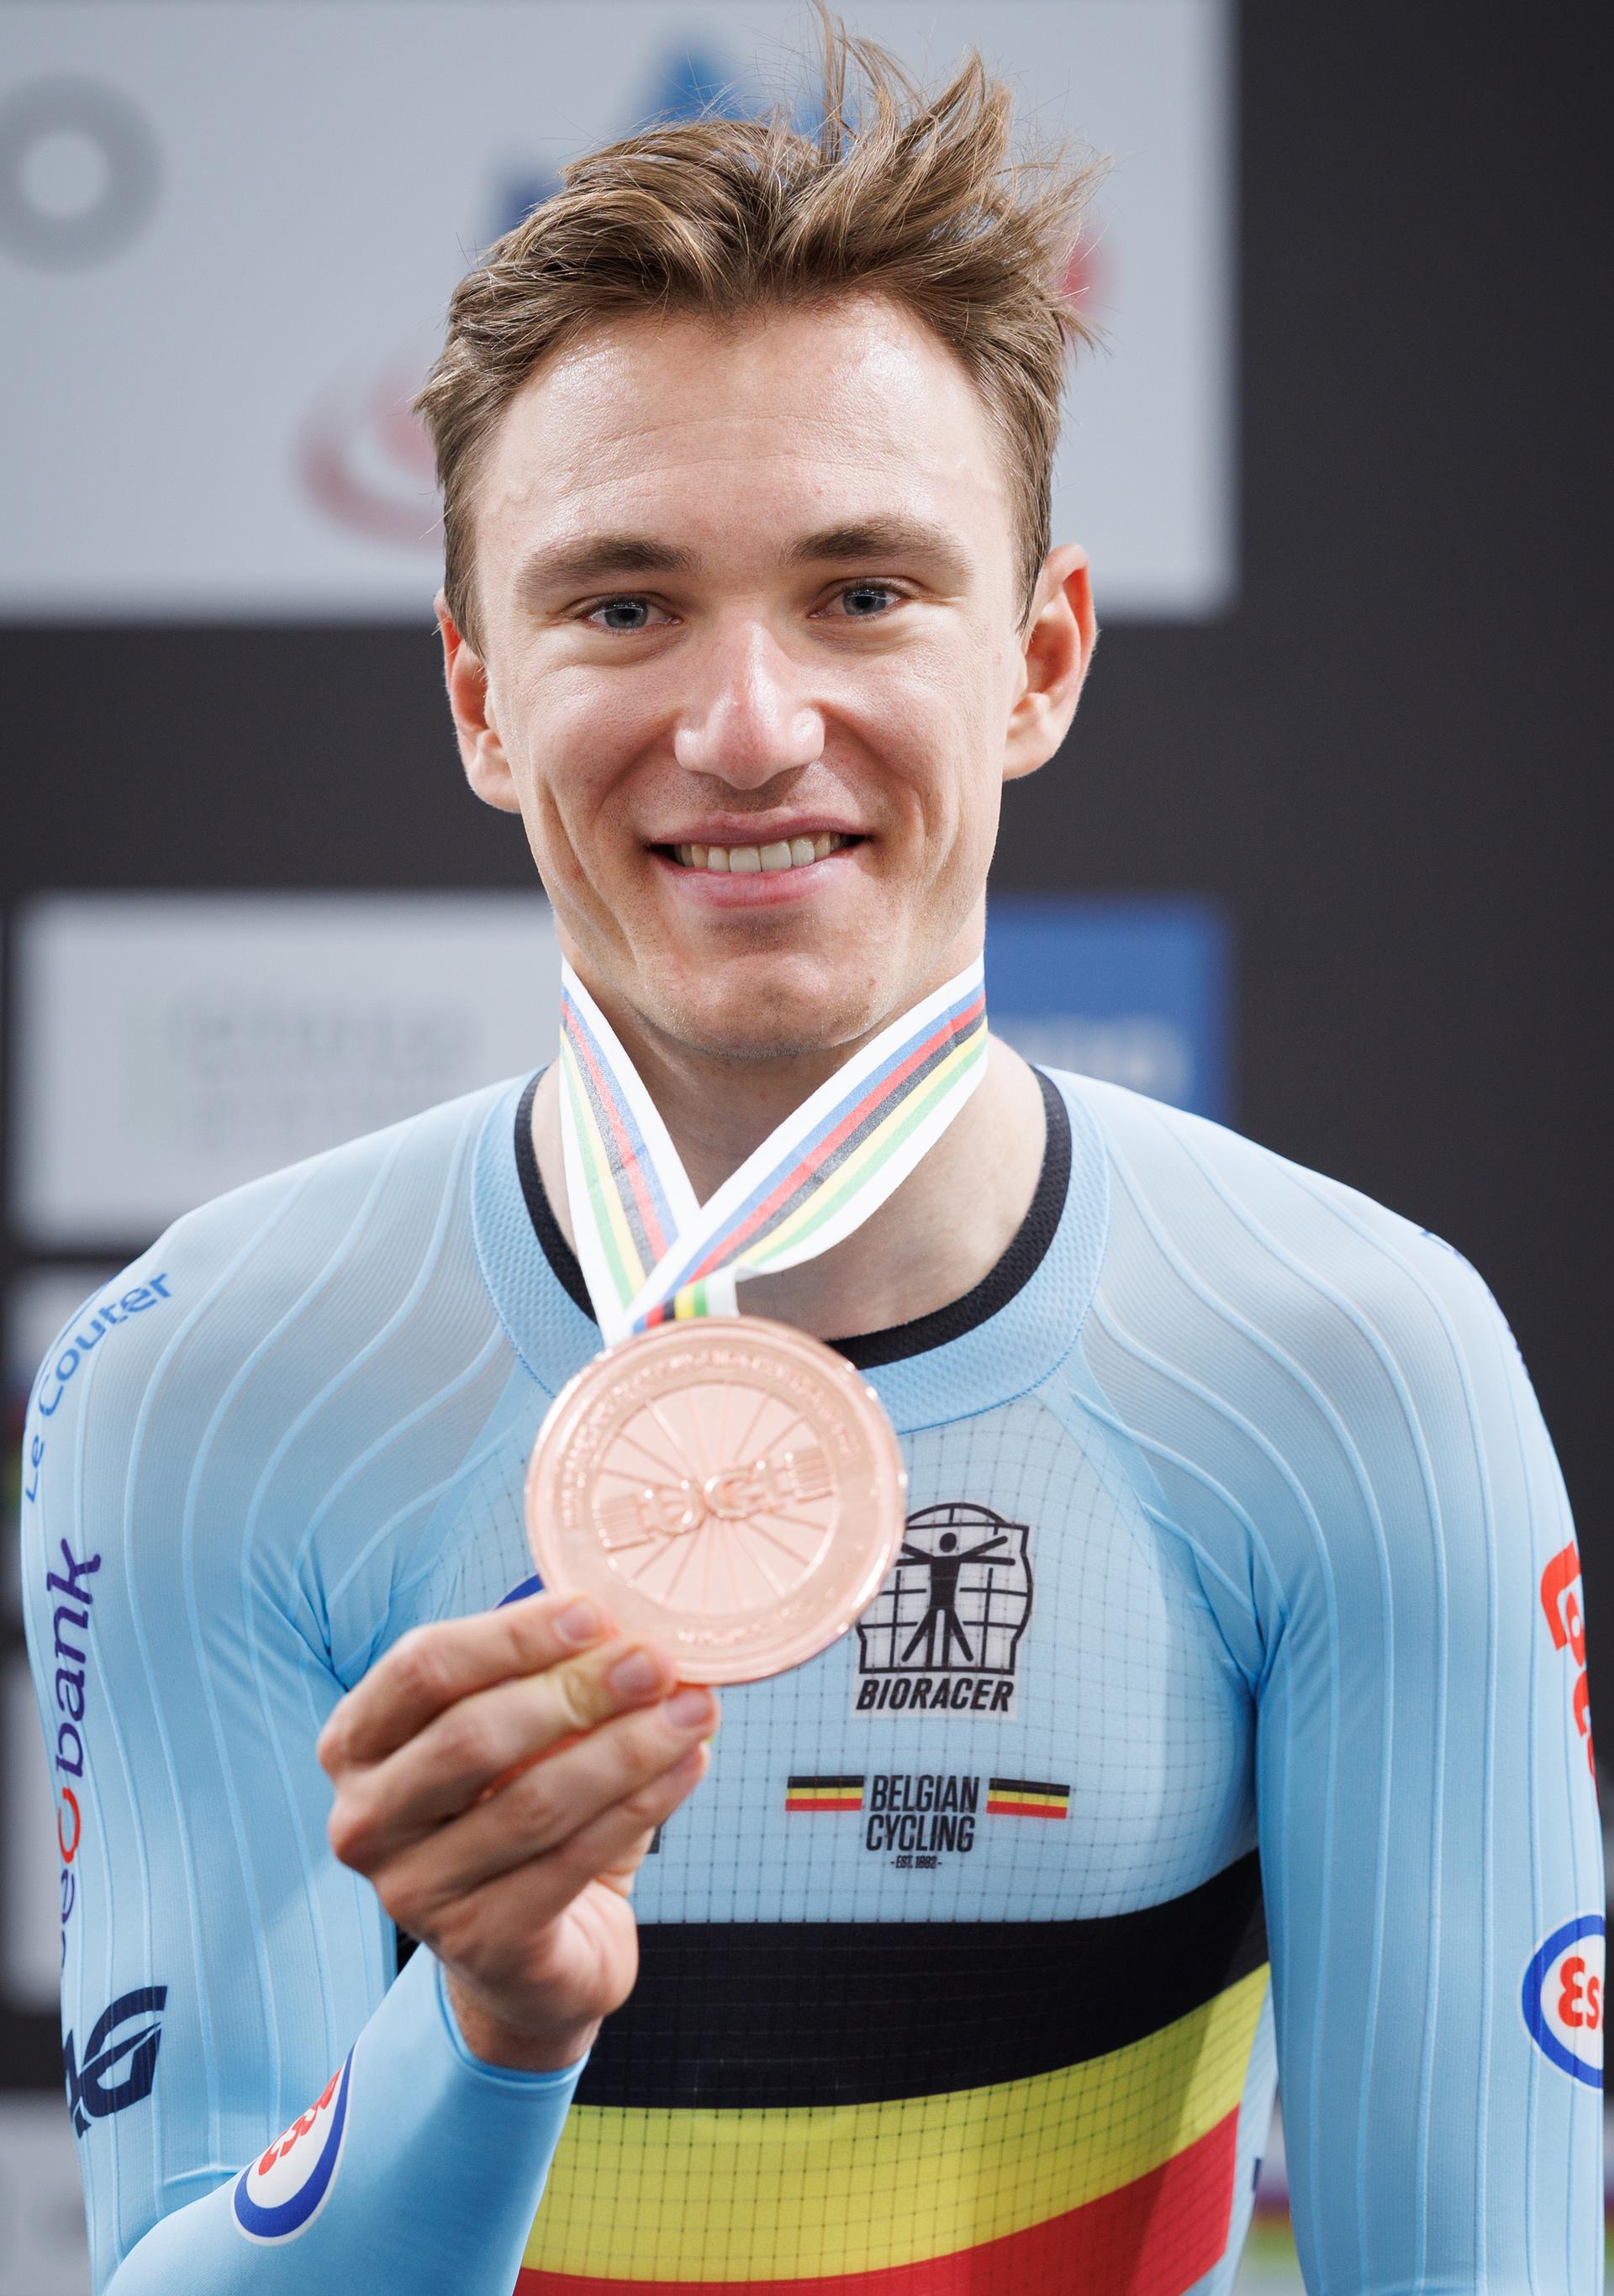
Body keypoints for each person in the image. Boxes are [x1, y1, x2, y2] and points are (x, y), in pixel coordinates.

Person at [22, 15, 1601, 2294]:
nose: (750, 726)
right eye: (625, 601)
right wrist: (486, 2030)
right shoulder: (216, 1378)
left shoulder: (1352, 1368)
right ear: (481, 695)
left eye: (864, 590)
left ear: (1040, 659)